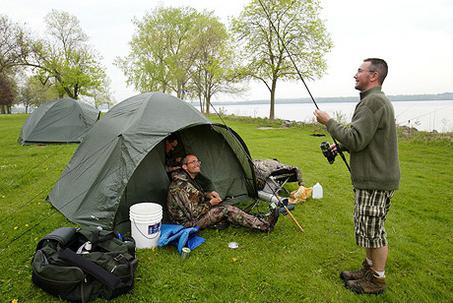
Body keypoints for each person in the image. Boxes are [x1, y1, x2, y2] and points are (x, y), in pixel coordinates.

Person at [314, 58, 400, 294]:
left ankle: (377, 281)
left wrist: (328, 122)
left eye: (360, 71)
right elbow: (362, 138)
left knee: (374, 232)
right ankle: (369, 269)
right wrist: (339, 147)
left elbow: (355, 138)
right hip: (372, 178)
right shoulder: (372, 101)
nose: (355, 74)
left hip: (376, 180)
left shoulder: (373, 103)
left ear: (373, 76)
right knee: (367, 229)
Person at [167, 154, 279, 232]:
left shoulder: (189, 179)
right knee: (226, 209)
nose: (197, 164)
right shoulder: (181, 185)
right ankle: (265, 226)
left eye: (198, 161)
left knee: (224, 207)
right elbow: (194, 214)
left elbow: (195, 196)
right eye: (193, 162)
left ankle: (256, 219)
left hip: (191, 217)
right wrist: (211, 203)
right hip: (185, 224)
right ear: (185, 167)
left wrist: (207, 195)